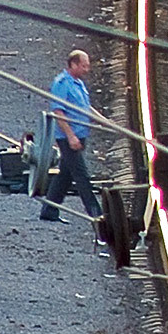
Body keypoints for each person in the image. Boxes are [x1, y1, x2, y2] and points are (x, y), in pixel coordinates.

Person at [41, 49, 103, 222]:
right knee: (81, 176)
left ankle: (49, 210)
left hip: (79, 134)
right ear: (73, 64)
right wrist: (70, 136)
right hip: (69, 137)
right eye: (84, 66)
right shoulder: (61, 84)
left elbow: (84, 107)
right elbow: (58, 112)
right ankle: (96, 214)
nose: (87, 69)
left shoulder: (78, 82)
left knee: (65, 175)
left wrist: (104, 121)